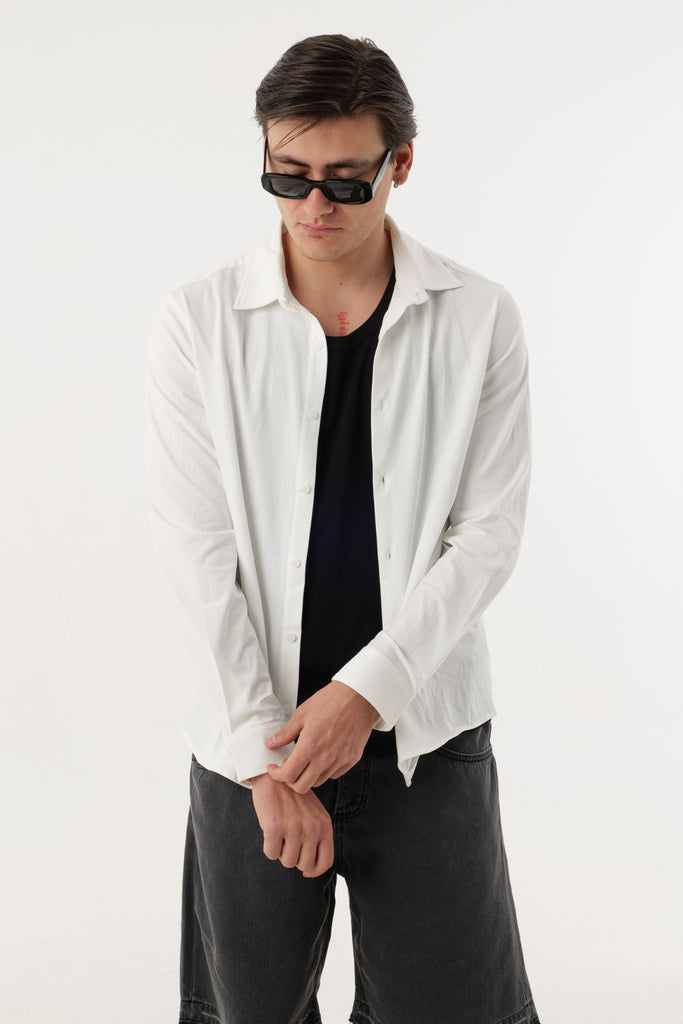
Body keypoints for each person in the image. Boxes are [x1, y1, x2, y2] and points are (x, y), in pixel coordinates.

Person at [145, 33, 541, 1024]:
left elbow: (487, 534)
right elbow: (196, 553)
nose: (312, 205)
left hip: (424, 735)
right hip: (251, 738)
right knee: (246, 1011)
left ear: (399, 164)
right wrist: (259, 756)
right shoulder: (198, 322)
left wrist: (366, 693)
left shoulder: (478, 318)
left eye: (344, 180)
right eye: (286, 175)